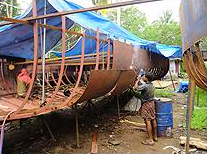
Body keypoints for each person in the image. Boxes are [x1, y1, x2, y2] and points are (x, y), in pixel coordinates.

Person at [133, 73, 157, 146]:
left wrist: (137, 80)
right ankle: (155, 136)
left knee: (147, 121)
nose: (143, 77)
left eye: (144, 76)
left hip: (146, 104)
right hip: (152, 103)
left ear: (146, 78)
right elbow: (143, 86)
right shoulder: (152, 85)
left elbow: (135, 88)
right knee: (153, 119)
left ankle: (150, 140)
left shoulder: (145, 86)